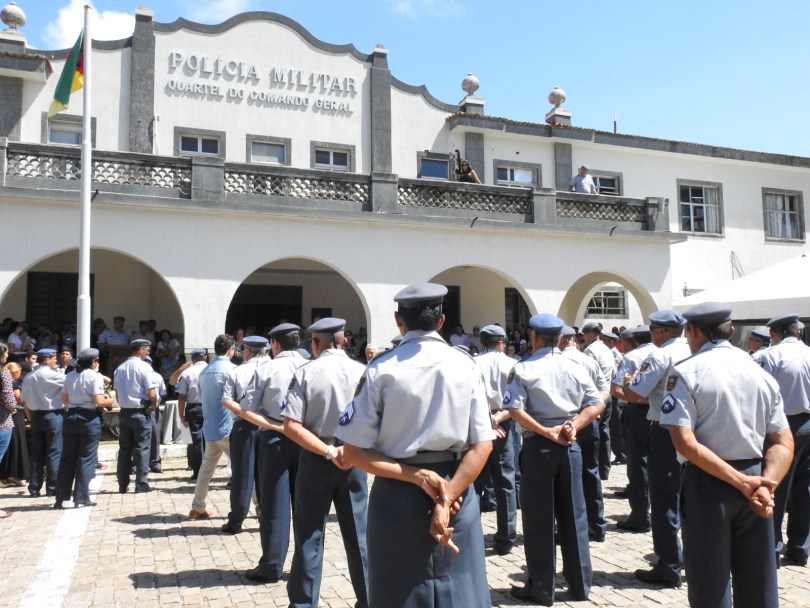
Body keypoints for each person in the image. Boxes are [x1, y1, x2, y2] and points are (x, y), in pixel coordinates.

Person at [336, 282, 494, 608]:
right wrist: (446, 496)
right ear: (441, 321)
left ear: (398, 320)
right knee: (461, 590)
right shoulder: (465, 365)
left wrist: (418, 478)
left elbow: (353, 451)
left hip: (398, 490)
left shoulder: (380, 369)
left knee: (398, 590)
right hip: (457, 487)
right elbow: (483, 445)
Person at [660, 302, 794, 608]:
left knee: (710, 581)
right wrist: (765, 484)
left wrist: (747, 484)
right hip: (756, 477)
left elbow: (685, 444)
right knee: (759, 579)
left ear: (693, 332)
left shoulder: (685, 372)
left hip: (709, 482)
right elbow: (783, 441)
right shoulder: (759, 372)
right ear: (731, 331)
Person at [503, 314, 604, 605]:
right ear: (559, 338)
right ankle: (580, 584)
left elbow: (514, 408)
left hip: (539, 446)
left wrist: (545, 430)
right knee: (575, 516)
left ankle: (542, 587)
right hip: (570, 444)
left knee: (539, 519)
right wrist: (574, 423)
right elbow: (596, 403)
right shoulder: (575, 365)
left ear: (534, 337)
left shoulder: (523, 369)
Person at [283, 318, 369, 608]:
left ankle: (304, 604)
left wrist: (329, 452)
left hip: (317, 456)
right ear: (344, 341)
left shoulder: (306, 372)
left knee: (309, 535)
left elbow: (291, 426)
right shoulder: (363, 372)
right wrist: (349, 451)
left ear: (316, 343)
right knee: (359, 535)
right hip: (354, 457)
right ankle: (370, 599)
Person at [231, 323, 306, 583]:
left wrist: (276, 426)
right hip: (308, 439)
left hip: (275, 437)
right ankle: (305, 564)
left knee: (274, 503)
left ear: (275, 344)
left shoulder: (267, 368)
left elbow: (246, 410)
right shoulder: (310, 366)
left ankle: (272, 564)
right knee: (305, 505)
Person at [623, 310, 692, 587]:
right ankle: (693, 554)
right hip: (696, 431)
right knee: (691, 494)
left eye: (654, 329)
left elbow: (634, 392)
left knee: (664, 497)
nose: (652, 334)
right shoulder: (693, 350)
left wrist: (630, 382)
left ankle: (669, 563)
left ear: (663, 332)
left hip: (665, 429)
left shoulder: (660, 355)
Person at [761, 313, 810, 567]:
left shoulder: (771, 356)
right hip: (808, 423)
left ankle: (773, 548)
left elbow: (762, 392)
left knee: (775, 486)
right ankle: (800, 548)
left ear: (774, 333)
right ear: (798, 332)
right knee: (805, 490)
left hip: (782, 426)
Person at [560, 325, 611, 543]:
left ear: (562, 339)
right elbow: (605, 389)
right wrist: (595, 410)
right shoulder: (588, 360)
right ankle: (597, 524)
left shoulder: (559, 361)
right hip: (589, 421)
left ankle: (573, 528)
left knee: (568, 478)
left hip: (567, 423)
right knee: (591, 473)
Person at [473, 324, 518, 555]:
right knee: (505, 482)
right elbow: (518, 401)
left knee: (475, 482)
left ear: (482, 342)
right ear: (501, 343)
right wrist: (498, 419)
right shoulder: (512, 364)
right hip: (504, 420)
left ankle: (470, 535)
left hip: (478, 423)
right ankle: (506, 537)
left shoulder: (472, 363)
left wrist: (487, 420)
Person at [220, 335, 269, 534]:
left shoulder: (238, 371)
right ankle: (265, 515)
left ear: (248, 351)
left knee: (242, 475)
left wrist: (244, 412)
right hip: (269, 425)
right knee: (267, 475)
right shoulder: (274, 368)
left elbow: (226, 400)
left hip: (244, 424)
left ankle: (236, 519)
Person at [611, 326, 657, 531]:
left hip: (638, 412)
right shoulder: (662, 355)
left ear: (633, 342)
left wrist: (637, 398)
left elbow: (616, 389)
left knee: (638, 464)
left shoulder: (631, 357)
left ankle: (640, 515)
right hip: (664, 415)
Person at [55, 348, 113, 509]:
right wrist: (109, 401)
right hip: (88, 417)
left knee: (67, 458)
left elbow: (64, 399)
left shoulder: (69, 376)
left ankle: (60, 497)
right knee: (86, 458)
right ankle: (81, 497)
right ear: (94, 362)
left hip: (71, 416)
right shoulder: (94, 377)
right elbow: (99, 401)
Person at [189, 334, 237, 520]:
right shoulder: (232, 370)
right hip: (228, 427)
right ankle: (259, 507)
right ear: (230, 350)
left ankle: (197, 506)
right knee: (245, 467)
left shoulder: (204, 371)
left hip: (210, 427)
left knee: (206, 469)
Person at [114, 338, 158, 494]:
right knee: (142, 448)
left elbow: (117, 394)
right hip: (140, 411)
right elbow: (152, 393)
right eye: (146, 349)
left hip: (125, 412)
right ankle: (141, 483)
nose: (148, 352)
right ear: (140, 350)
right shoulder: (144, 368)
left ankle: (122, 483)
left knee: (125, 449)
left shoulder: (119, 368)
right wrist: (154, 404)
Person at [21, 348, 65, 498]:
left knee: (37, 454)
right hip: (52, 415)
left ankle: (34, 488)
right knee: (54, 452)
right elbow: (68, 384)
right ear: (46, 359)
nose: (56, 361)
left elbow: (24, 401)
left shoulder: (28, 377)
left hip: (36, 416)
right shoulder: (50, 374)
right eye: (53, 358)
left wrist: (31, 418)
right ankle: (52, 487)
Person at [175, 348, 208, 480]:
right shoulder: (211, 370)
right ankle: (207, 469)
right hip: (210, 407)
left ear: (192, 359)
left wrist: (181, 414)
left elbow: (182, 396)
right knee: (209, 439)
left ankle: (197, 470)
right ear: (205, 357)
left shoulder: (187, 373)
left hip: (193, 407)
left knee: (196, 440)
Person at [0, 342, 15, 518]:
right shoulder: (3, 374)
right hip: (2, 422)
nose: (8, 356)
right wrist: (13, 409)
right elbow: (9, 400)